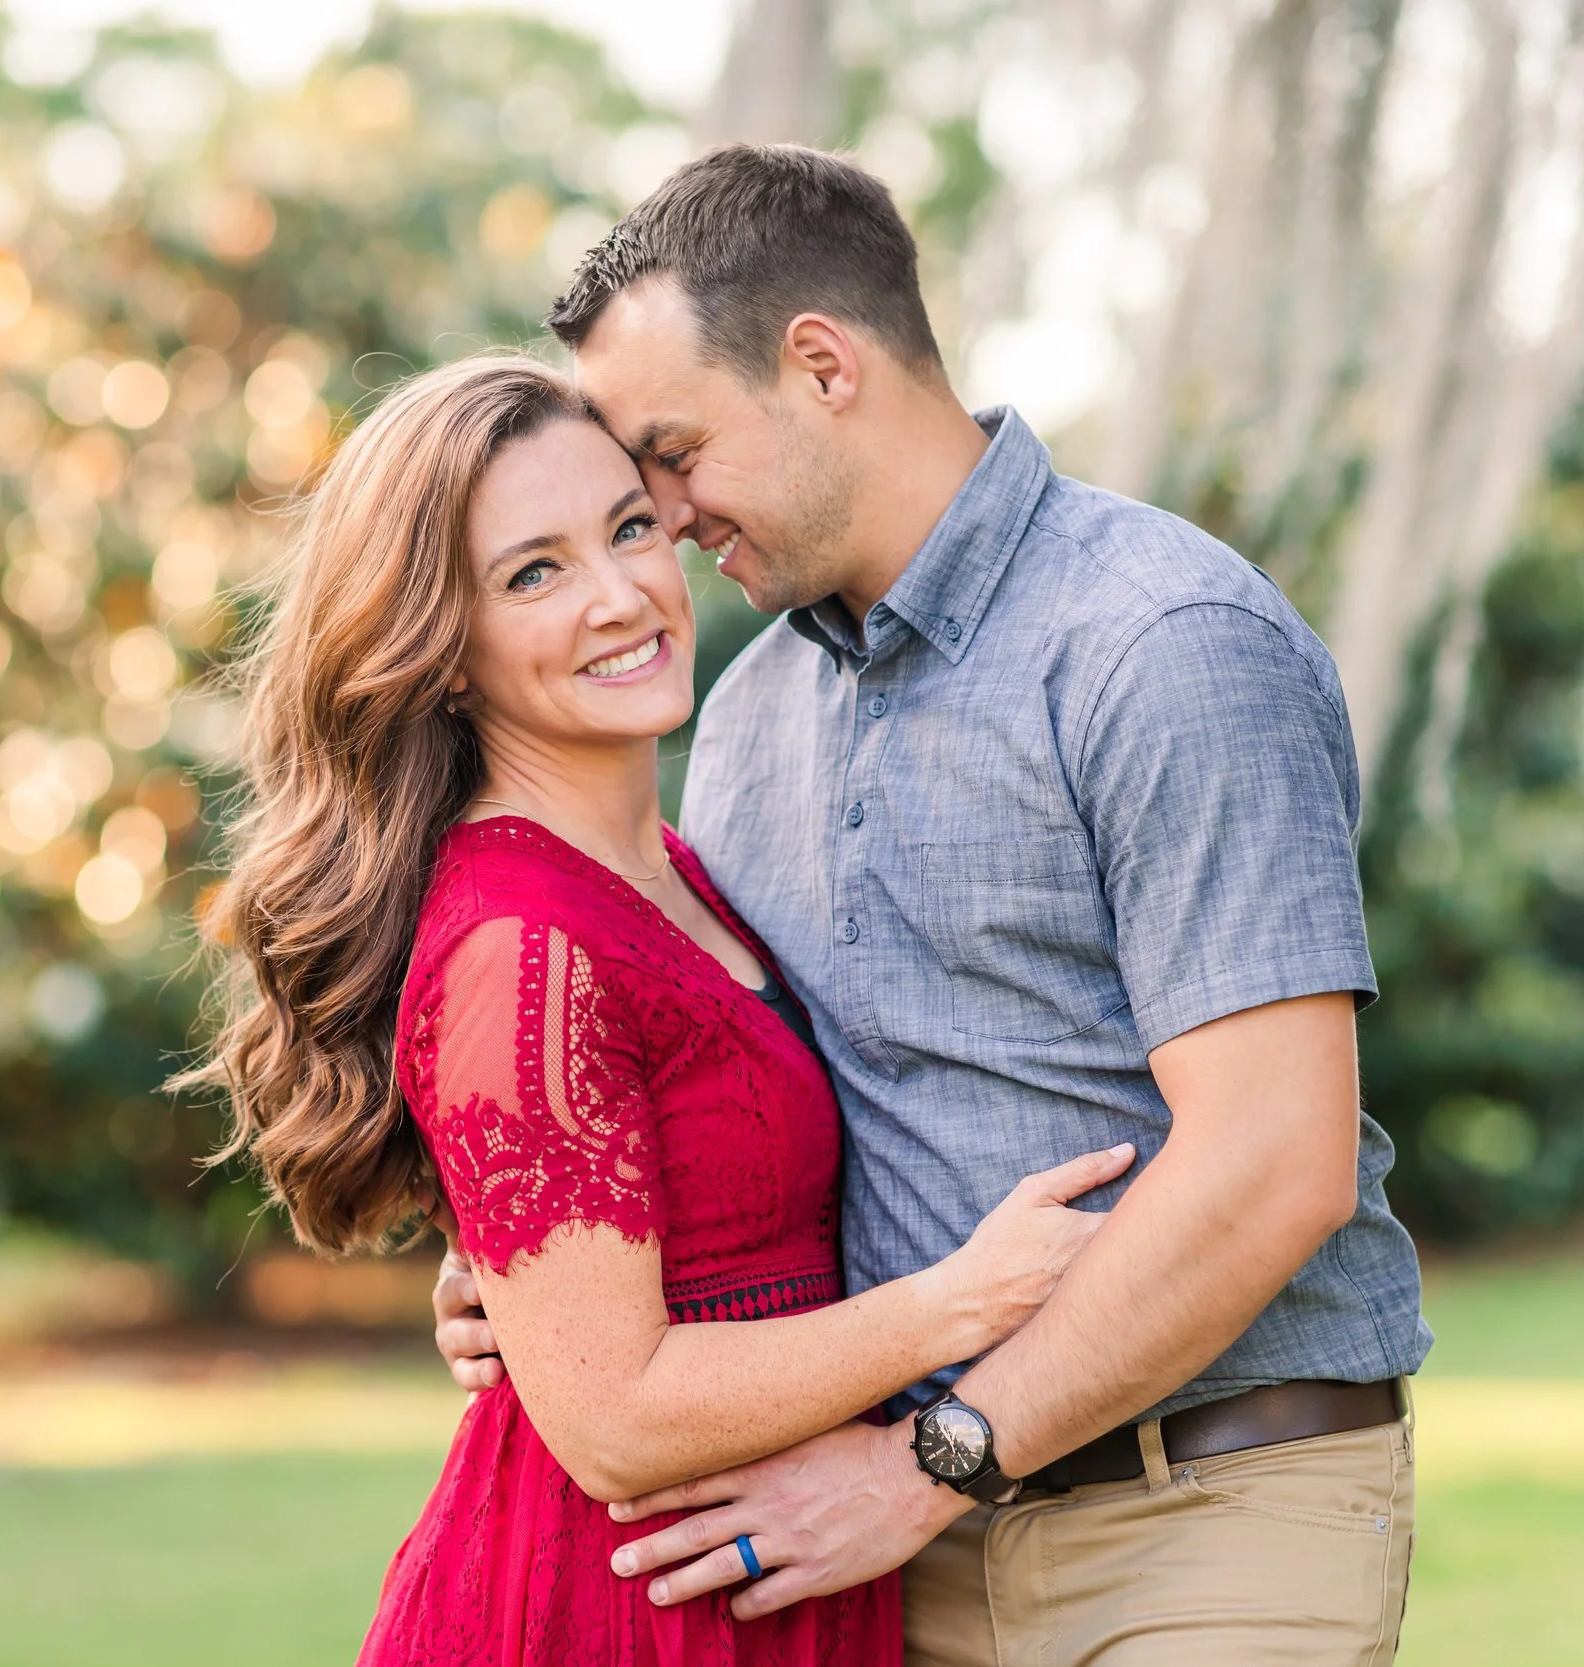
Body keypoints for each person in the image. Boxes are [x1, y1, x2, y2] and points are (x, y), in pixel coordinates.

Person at [433, 145, 1433, 1666]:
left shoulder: (1159, 641)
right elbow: (757, 1108)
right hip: (870, 1550)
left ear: (821, 365)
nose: (668, 518)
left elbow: (1275, 1160)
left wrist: (936, 1454)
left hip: (1205, 1515)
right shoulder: (745, 717)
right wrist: (541, 1256)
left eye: (676, 453)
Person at [188, 350, 1138, 1665]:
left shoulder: (673, 871)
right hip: (616, 1606)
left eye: (630, 528)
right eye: (535, 571)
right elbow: (617, 1413)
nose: (623, 592)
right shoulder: (521, 940)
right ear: (444, 652)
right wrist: (963, 1301)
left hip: (764, 1573)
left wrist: (517, 1287)